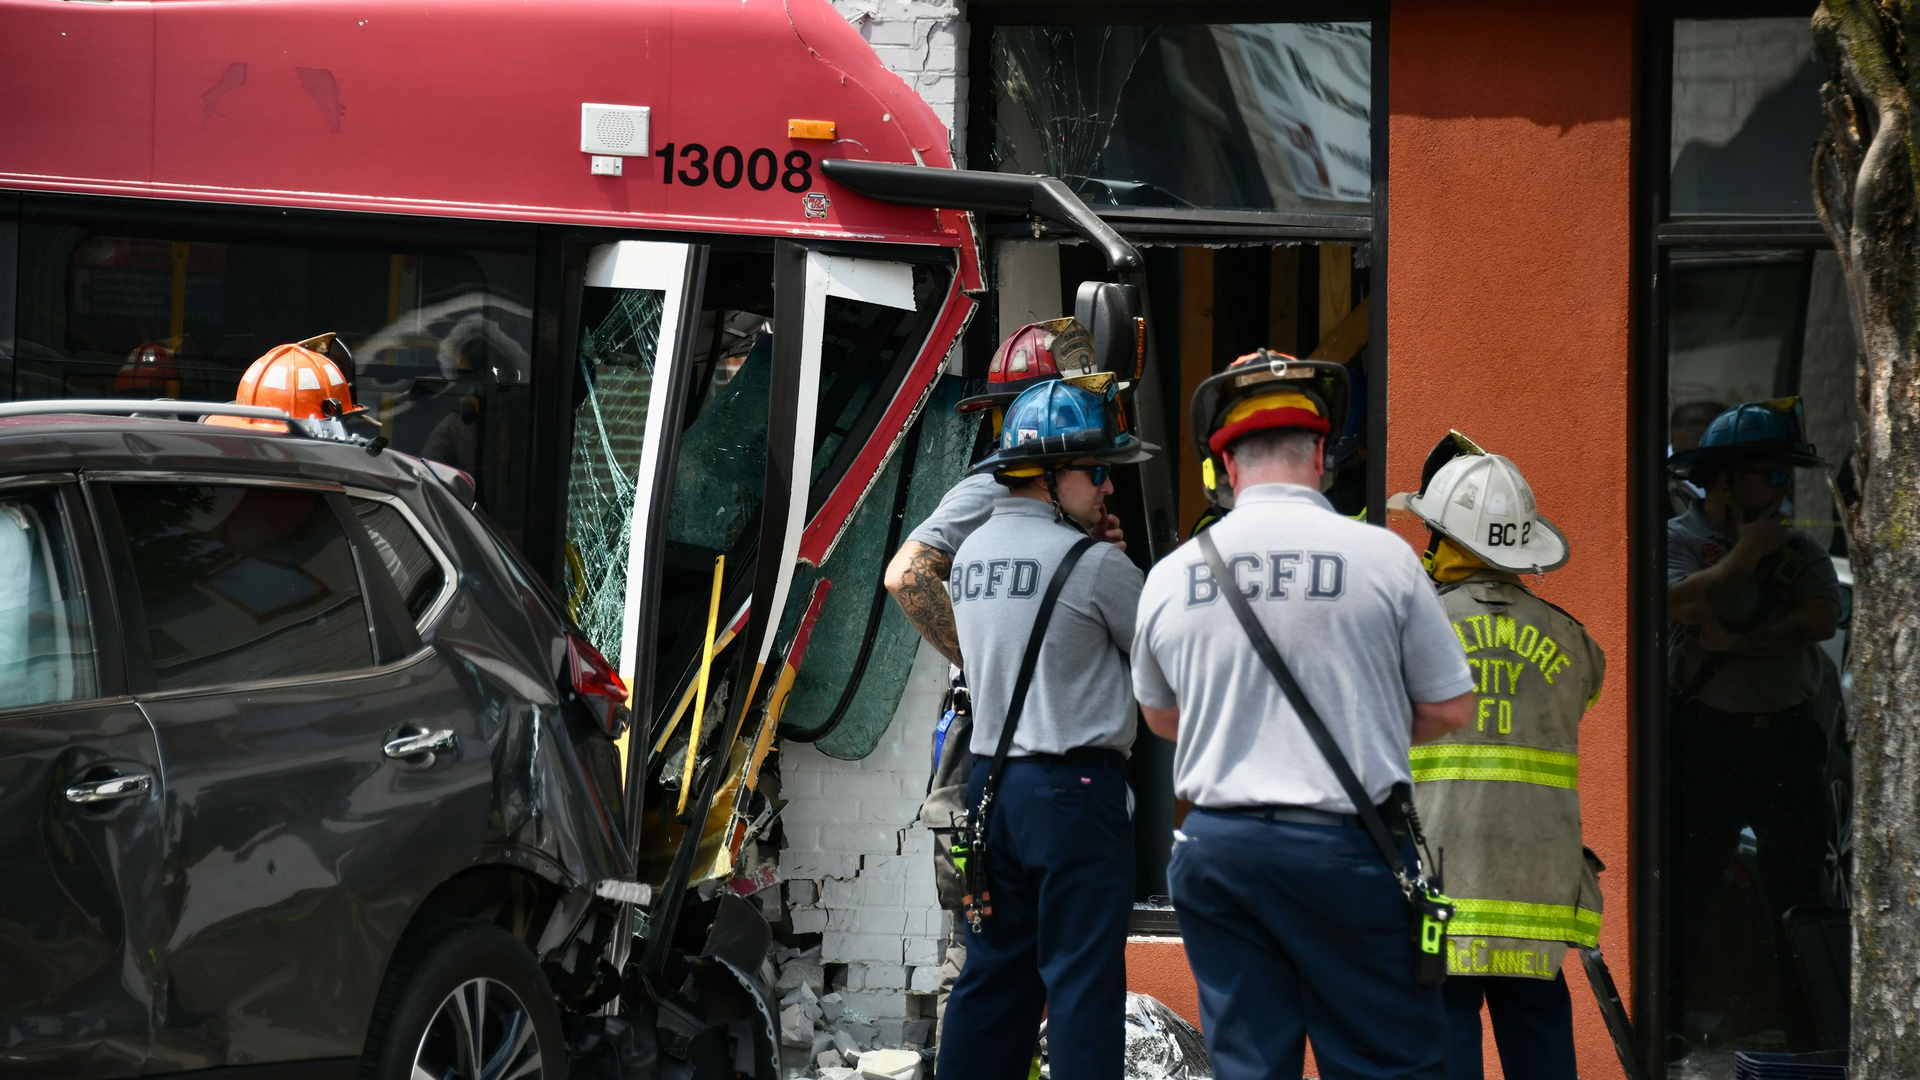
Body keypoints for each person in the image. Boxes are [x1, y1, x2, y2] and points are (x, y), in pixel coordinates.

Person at [1132, 350, 1474, 1080]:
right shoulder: (1385, 559)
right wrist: (1363, 726)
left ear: (1226, 466)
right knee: (1385, 1063)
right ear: (1322, 454)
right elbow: (1450, 705)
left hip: (1219, 852)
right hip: (1346, 851)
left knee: (1250, 1065)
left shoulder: (1171, 576)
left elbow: (1160, 719)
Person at [882, 318, 1124, 1042]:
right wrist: (994, 663)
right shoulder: (993, 484)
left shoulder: (1062, 506)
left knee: (1003, 961)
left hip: (1016, 755)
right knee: (986, 961)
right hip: (1005, 749)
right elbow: (908, 573)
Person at [933, 373, 1153, 1080]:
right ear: (1052, 476)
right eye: (1098, 472)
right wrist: (1116, 560)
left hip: (992, 791)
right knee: (1083, 985)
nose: (1109, 487)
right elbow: (1169, 658)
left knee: (994, 980)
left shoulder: (970, 557)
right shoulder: (1096, 564)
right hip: (1076, 799)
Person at [1394, 431, 1606, 1080]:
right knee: (1541, 1038)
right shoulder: (1575, 642)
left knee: (1446, 1034)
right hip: (1536, 893)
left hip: (1440, 890)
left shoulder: (1409, 631)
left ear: (1443, 538)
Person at [1666, 398, 1841, 1050]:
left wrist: (1736, 641)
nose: (1782, 486)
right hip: (1707, 738)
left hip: (1786, 738)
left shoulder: (1799, 549)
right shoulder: (1678, 540)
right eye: (1769, 474)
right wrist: (1741, 557)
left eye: (1785, 474)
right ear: (1726, 479)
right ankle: (1670, 1022)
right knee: (1687, 885)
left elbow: (1819, 618)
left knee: (1800, 886)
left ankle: (1807, 1031)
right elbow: (1682, 603)